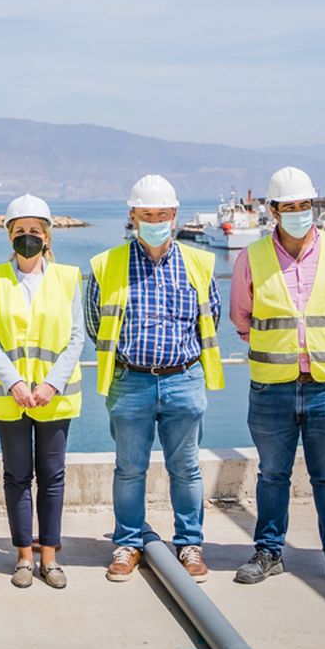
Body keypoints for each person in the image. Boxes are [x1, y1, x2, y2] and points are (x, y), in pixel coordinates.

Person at [229, 167, 325, 592]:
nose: (298, 213)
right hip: (272, 385)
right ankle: (269, 551)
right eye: (289, 207)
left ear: (314, 206)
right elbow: (241, 317)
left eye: (304, 206)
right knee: (273, 474)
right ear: (273, 211)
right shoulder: (251, 257)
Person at [86, 174, 224, 584]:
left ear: (175, 215)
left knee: (186, 468)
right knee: (129, 469)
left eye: (162, 214)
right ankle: (127, 543)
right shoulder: (107, 265)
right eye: (147, 214)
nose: (155, 220)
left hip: (183, 379)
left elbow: (210, 319)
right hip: (131, 382)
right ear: (132, 216)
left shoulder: (199, 263)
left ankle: (190, 544)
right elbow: (96, 324)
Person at [0, 195, 85, 590]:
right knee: (17, 476)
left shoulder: (68, 278)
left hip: (54, 396)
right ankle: (23, 555)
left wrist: (50, 383)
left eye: (34, 231)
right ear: (9, 235)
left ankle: (50, 558)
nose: (28, 237)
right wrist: (16, 383)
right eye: (20, 231)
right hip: (11, 396)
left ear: (47, 236)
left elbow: (76, 337)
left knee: (52, 476)